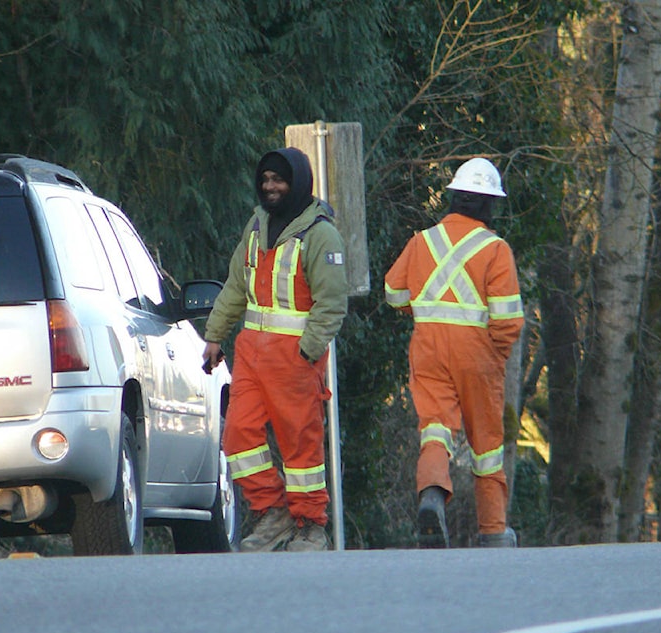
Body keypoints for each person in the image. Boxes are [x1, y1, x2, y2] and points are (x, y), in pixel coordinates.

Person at [202, 147, 348, 552]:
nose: (270, 187)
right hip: (251, 353)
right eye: (265, 179)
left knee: (301, 445)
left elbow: (332, 302)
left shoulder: (320, 234)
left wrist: (308, 351)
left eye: (279, 180)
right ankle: (274, 514)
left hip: (294, 358)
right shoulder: (256, 226)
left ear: (297, 183)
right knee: (237, 437)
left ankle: (310, 525)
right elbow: (235, 286)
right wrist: (215, 336)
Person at [384, 157, 524, 548]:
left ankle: (431, 494)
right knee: (487, 446)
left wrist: (425, 311)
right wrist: (493, 356)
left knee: (435, 428)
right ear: (489, 204)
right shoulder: (496, 249)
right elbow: (508, 321)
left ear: (454, 197)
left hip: (428, 347)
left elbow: (393, 293)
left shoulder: (422, 240)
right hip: (478, 354)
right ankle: (494, 530)